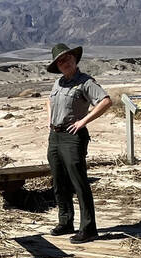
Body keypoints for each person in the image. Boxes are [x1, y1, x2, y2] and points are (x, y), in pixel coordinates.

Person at [45, 42, 112, 243]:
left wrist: (83, 121)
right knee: (59, 181)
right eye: (60, 61)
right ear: (57, 65)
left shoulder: (85, 82)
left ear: (75, 59)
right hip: (55, 136)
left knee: (79, 182)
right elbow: (48, 101)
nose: (64, 63)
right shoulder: (58, 83)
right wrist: (49, 120)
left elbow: (106, 101)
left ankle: (88, 228)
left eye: (67, 58)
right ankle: (65, 222)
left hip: (73, 137)